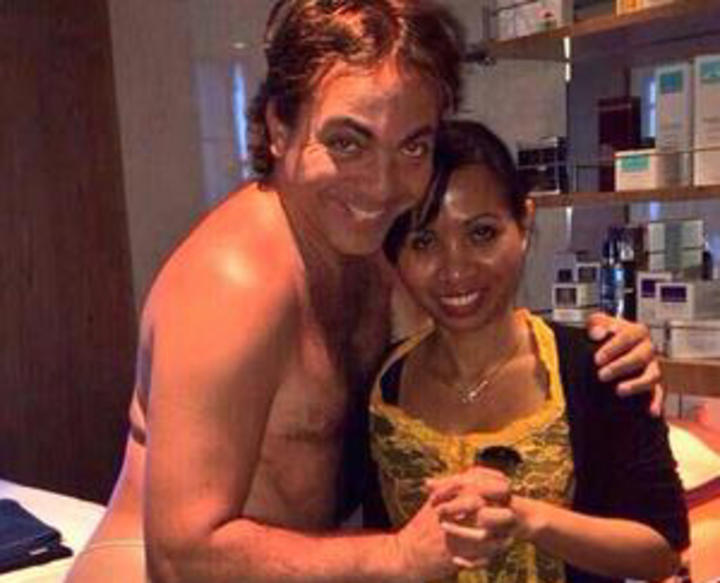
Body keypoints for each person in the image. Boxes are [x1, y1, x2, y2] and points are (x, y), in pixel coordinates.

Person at [67, 2, 662, 581]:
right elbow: (182, 557)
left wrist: (605, 352)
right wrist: (400, 557)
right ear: (279, 128)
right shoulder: (233, 283)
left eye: (412, 146)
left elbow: (467, 325)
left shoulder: (367, 247)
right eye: (348, 143)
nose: (382, 185)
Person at [368, 119, 689, 582]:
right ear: (395, 255)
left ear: (524, 221)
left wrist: (528, 518)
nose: (455, 268)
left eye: (481, 233)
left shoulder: (602, 366)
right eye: (423, 242)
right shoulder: (380, 386)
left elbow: (661, 550)